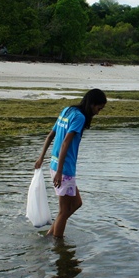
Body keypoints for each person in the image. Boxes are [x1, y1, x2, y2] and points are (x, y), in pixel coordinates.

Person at [34, 89, 107, 237]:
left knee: (76, 203)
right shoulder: (79, 117)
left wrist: (41, 157)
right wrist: (60, 171)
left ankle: (50, 234)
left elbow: (50, 135)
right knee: (64, 210)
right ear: (92, 104)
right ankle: (58, 245)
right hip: (64, 168)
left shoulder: (67, 110)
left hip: (56, 165)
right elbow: (66, 142)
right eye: (98, 109)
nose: (98, 112)